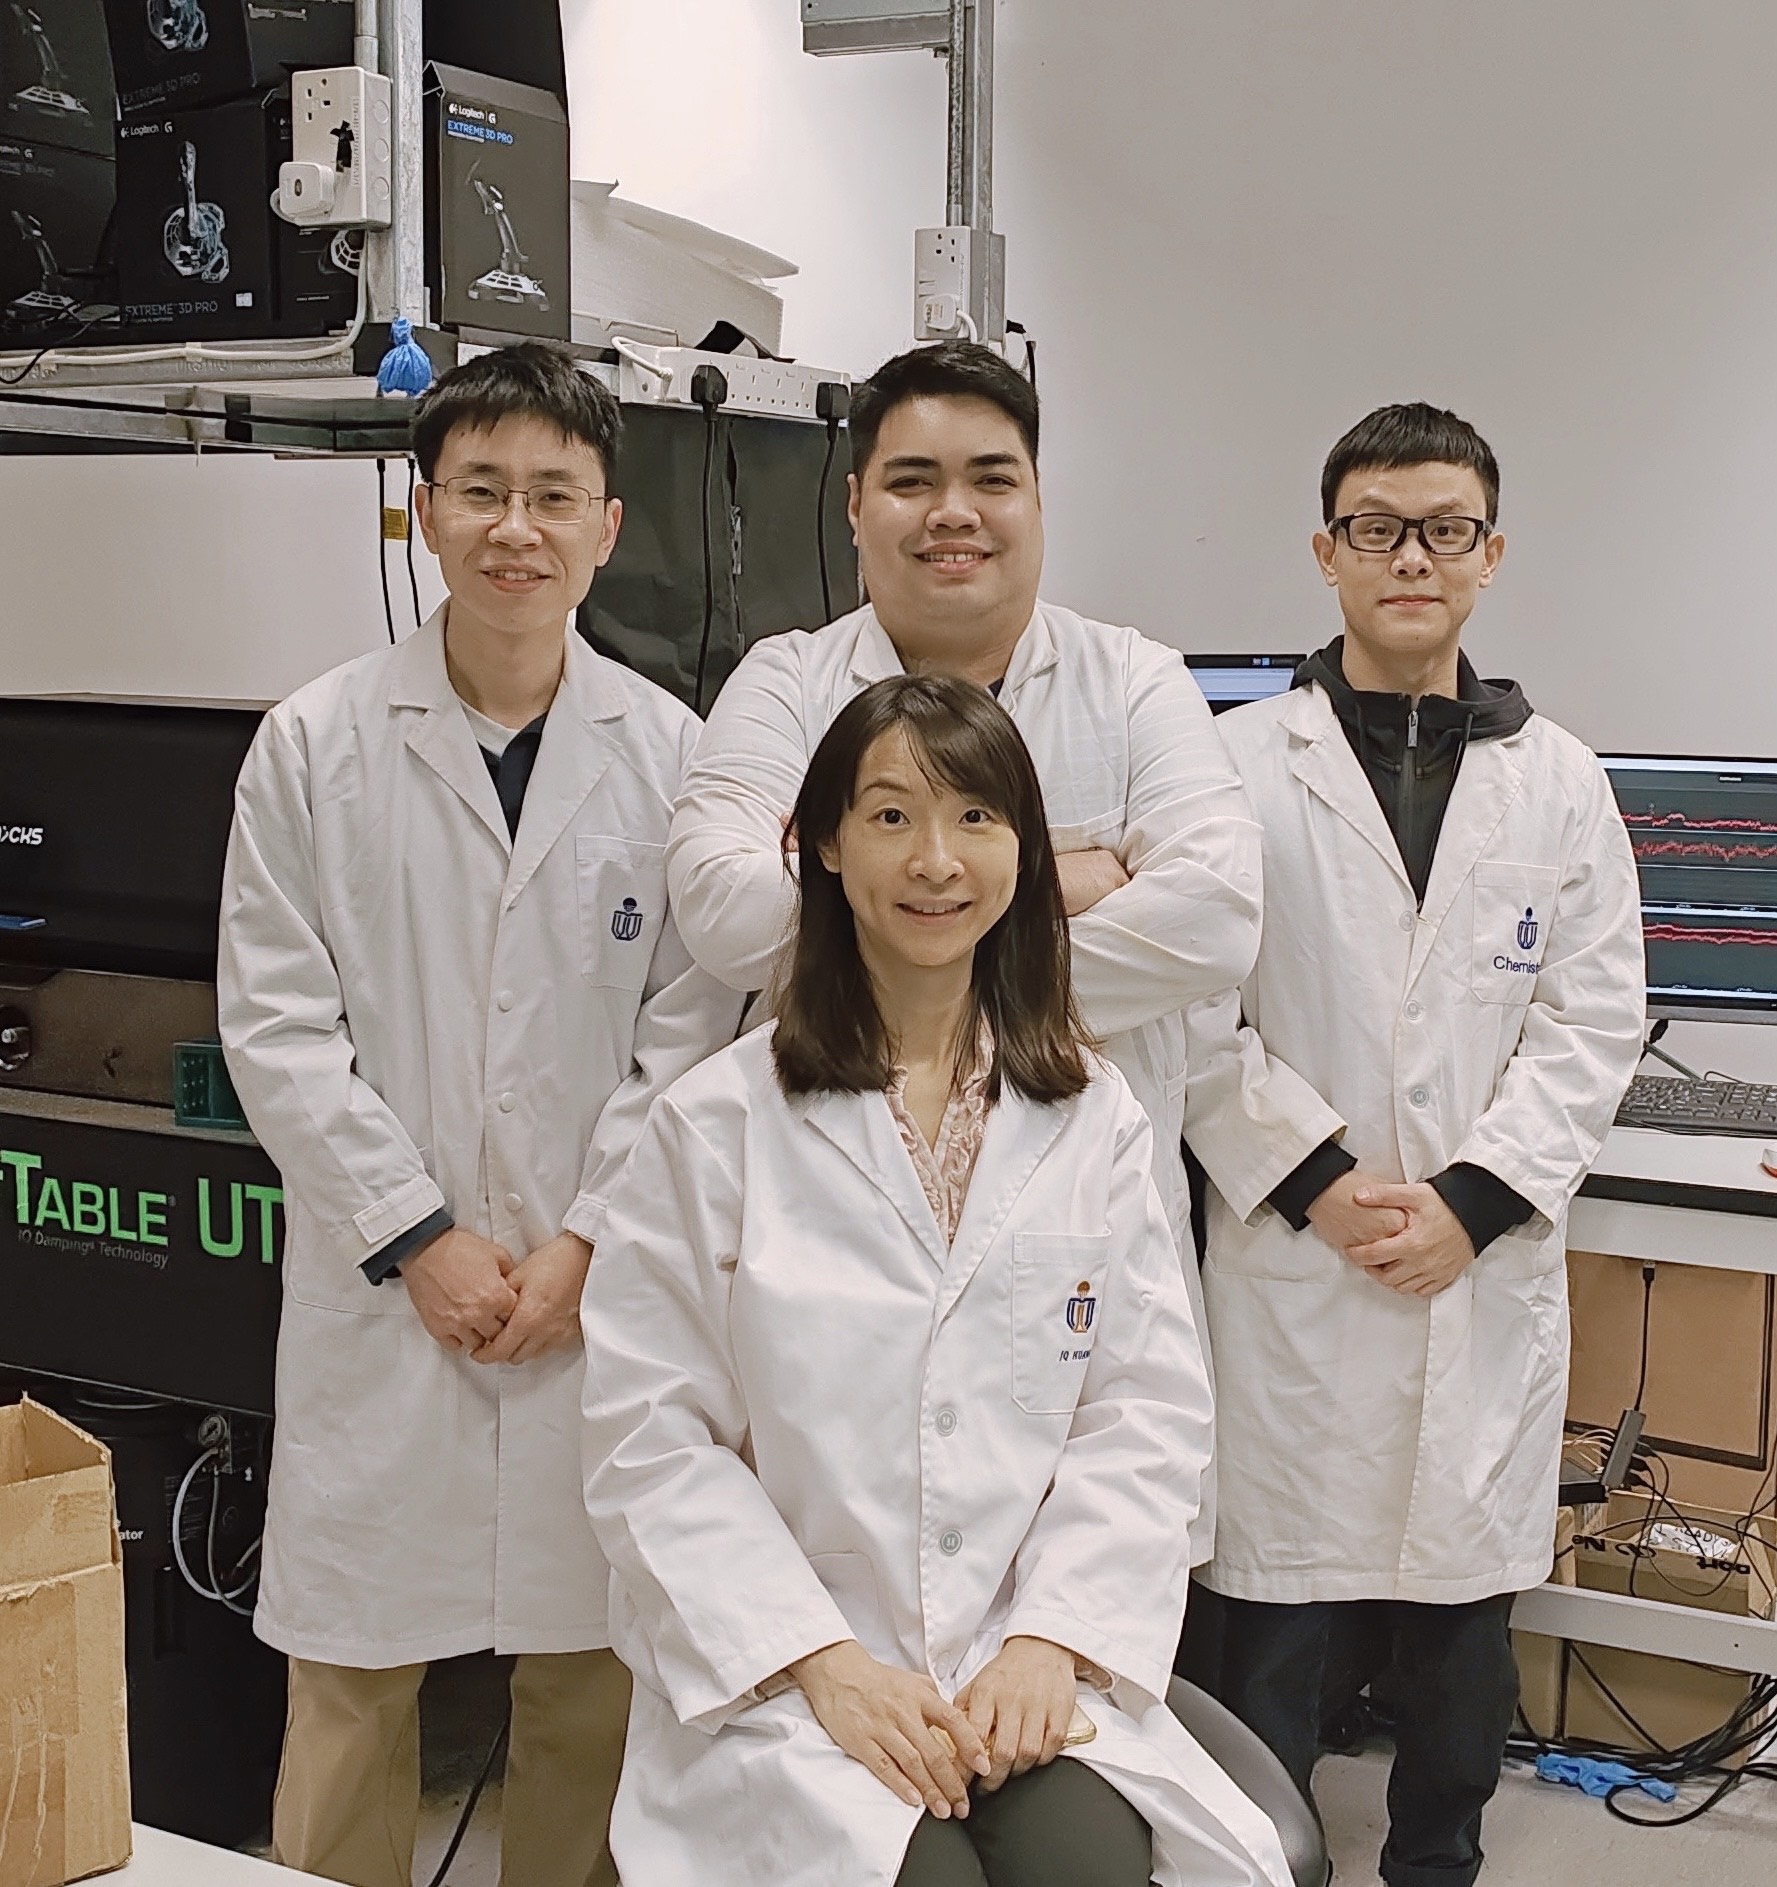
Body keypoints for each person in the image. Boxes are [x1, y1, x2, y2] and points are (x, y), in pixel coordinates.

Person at [581, 675, 1292, 1887]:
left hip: (1021, 1665)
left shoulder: (1090, 1115)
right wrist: (825, 1664)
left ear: (1023, 849)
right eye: (892, 816)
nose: (936, 862)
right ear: (820, 847)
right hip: (801, 1680)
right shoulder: (719, 1124)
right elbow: (653, 1441)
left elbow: (1143, 1411)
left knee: (1088, 1871)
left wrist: (1050, 1641)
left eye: (975, 818)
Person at [217, 343, 742, 1887]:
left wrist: (585, 1240)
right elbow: (276, 1024)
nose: (516, 527)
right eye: (482, 492)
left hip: (598, 1297)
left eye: (552, 497)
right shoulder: (313, 744)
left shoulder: (675, 755)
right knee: (352, 1692)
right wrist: (422, 1238)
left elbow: (693, 1032)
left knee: (587, 1688)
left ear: (606, 526)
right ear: (422, 514)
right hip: (389, 1303)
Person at [664, 342, 1262, 1549]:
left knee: (1074, 1644)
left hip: (1077, 1268)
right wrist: (1072, 881)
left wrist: (891, 920)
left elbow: (1216, 917)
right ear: (854, 505)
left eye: (991, 477)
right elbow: (725, 911)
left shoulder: (1131, 681)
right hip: (831, 1253)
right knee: (849, 1632)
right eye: (911, 479)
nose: (953, 514)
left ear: (1037, 499)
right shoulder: (786, 685)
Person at [1181, 404, 1645, 1887]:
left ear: (1490, 554)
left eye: (1445, 528)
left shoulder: (1559, 780)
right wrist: (1318, 1184)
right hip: (1295, 1267)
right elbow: (1188, 1010)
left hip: (1474, 1271)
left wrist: (1468, 1203)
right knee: (1273, 1651)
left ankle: (1436, 1859)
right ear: (1325, 551)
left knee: (1459, 1660)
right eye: (1375, 526)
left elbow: (1592, 1018)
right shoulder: (1233, 769)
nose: (1410, 556)